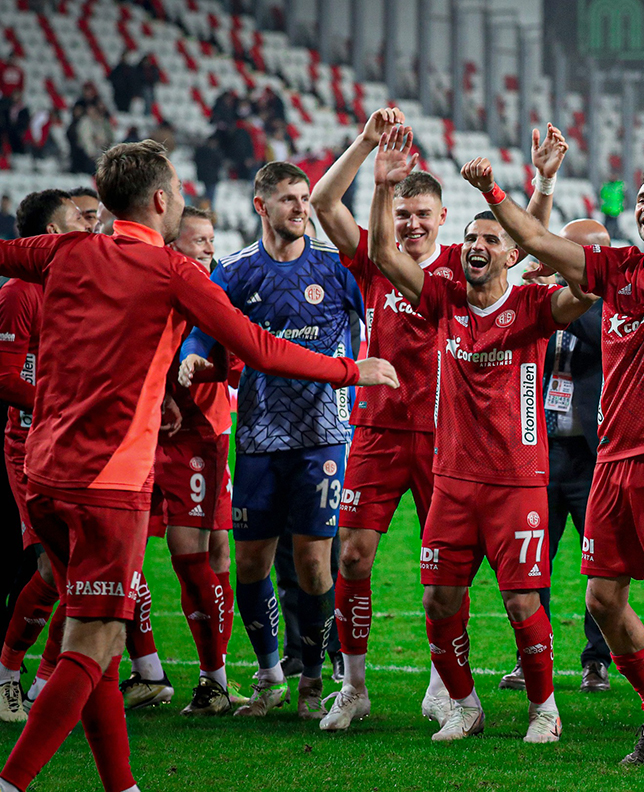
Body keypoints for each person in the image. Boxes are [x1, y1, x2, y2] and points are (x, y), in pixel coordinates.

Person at [0, 139, 397, 792]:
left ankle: (122, 787)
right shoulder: (171, 271)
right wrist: (352, 369)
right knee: (92, 647)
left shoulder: (64, 251)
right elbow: (260, 349)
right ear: (160, 200)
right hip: (108, 485)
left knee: (96, 647)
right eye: (179, 189)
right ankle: (13, 782)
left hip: (43, 477)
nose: (183, 198)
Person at [465, 62, 644, 774]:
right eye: (642, 197)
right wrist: (495, 188)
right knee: (603, 599)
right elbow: (535, 240)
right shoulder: (614, 269)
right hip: (614, 460)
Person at [309, 108, 567, 731]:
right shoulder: (377, 258)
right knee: (354, 557)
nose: (413, 224)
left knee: (450, 577)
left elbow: (522, 243)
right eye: (404, 216)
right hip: (377, 427)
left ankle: (444, 689)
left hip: (453, 441)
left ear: (442, 220)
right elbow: (323, 200)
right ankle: (355, 686)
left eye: (423, 216)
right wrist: (373, 157)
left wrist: (542, 185)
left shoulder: (463, 263)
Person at [372, 125, 593, 743]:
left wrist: (538, 192)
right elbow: (387, 257)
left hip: (517, 480)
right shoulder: (444, 298)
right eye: (468, 237)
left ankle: (544, 708)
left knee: (523, 605)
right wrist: (382, 183)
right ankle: (464, 704)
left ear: (510, 253)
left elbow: (583, 286)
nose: (475, 244)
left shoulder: (530, 308)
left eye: (489, 239)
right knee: (439, 602)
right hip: (452, 480)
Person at [180, 161, 366, 721]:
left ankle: (313, 678)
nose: (300, 208)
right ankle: (268, 676)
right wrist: (193, 352)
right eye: (288, 199)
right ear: (260, 205)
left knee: (314, 566)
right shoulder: (235, 272)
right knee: (251, 564)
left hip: (323, 435)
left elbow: (377, 316)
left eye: (305, 197)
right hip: (260, 434)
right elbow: (202, 325)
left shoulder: (334, 268)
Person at [126, 206, 237, 716]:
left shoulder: (216, 288)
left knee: (208, 555)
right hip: (148, 434)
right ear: (173, 246)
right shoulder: (155, 285)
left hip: (200, 437)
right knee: (146, 551)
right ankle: (148, 669)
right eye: (199, 241)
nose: (209, 249)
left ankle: (214, 675)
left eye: (212, 240)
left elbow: (235, 362)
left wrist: (191, 372)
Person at [499, 220, 612, 695]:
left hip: (591, 454)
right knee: (532, 559)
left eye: (570, 249)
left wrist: (563, 292)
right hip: (540, 450)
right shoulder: (541, 294)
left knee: (599, 564)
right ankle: (532, 657)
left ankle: (597, 661)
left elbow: (597, 333)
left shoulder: (617, 300)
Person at [0, 190, 91, 723]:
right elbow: (7, 376)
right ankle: (9, 675)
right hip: (29, 443)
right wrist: (63, 401)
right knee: (55, 572)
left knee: (84, 573)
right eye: (75, 221)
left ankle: (45, 682)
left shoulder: (71, 285)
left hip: (69, 438)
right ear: (49, 236)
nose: (86, 228)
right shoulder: (19, 292)